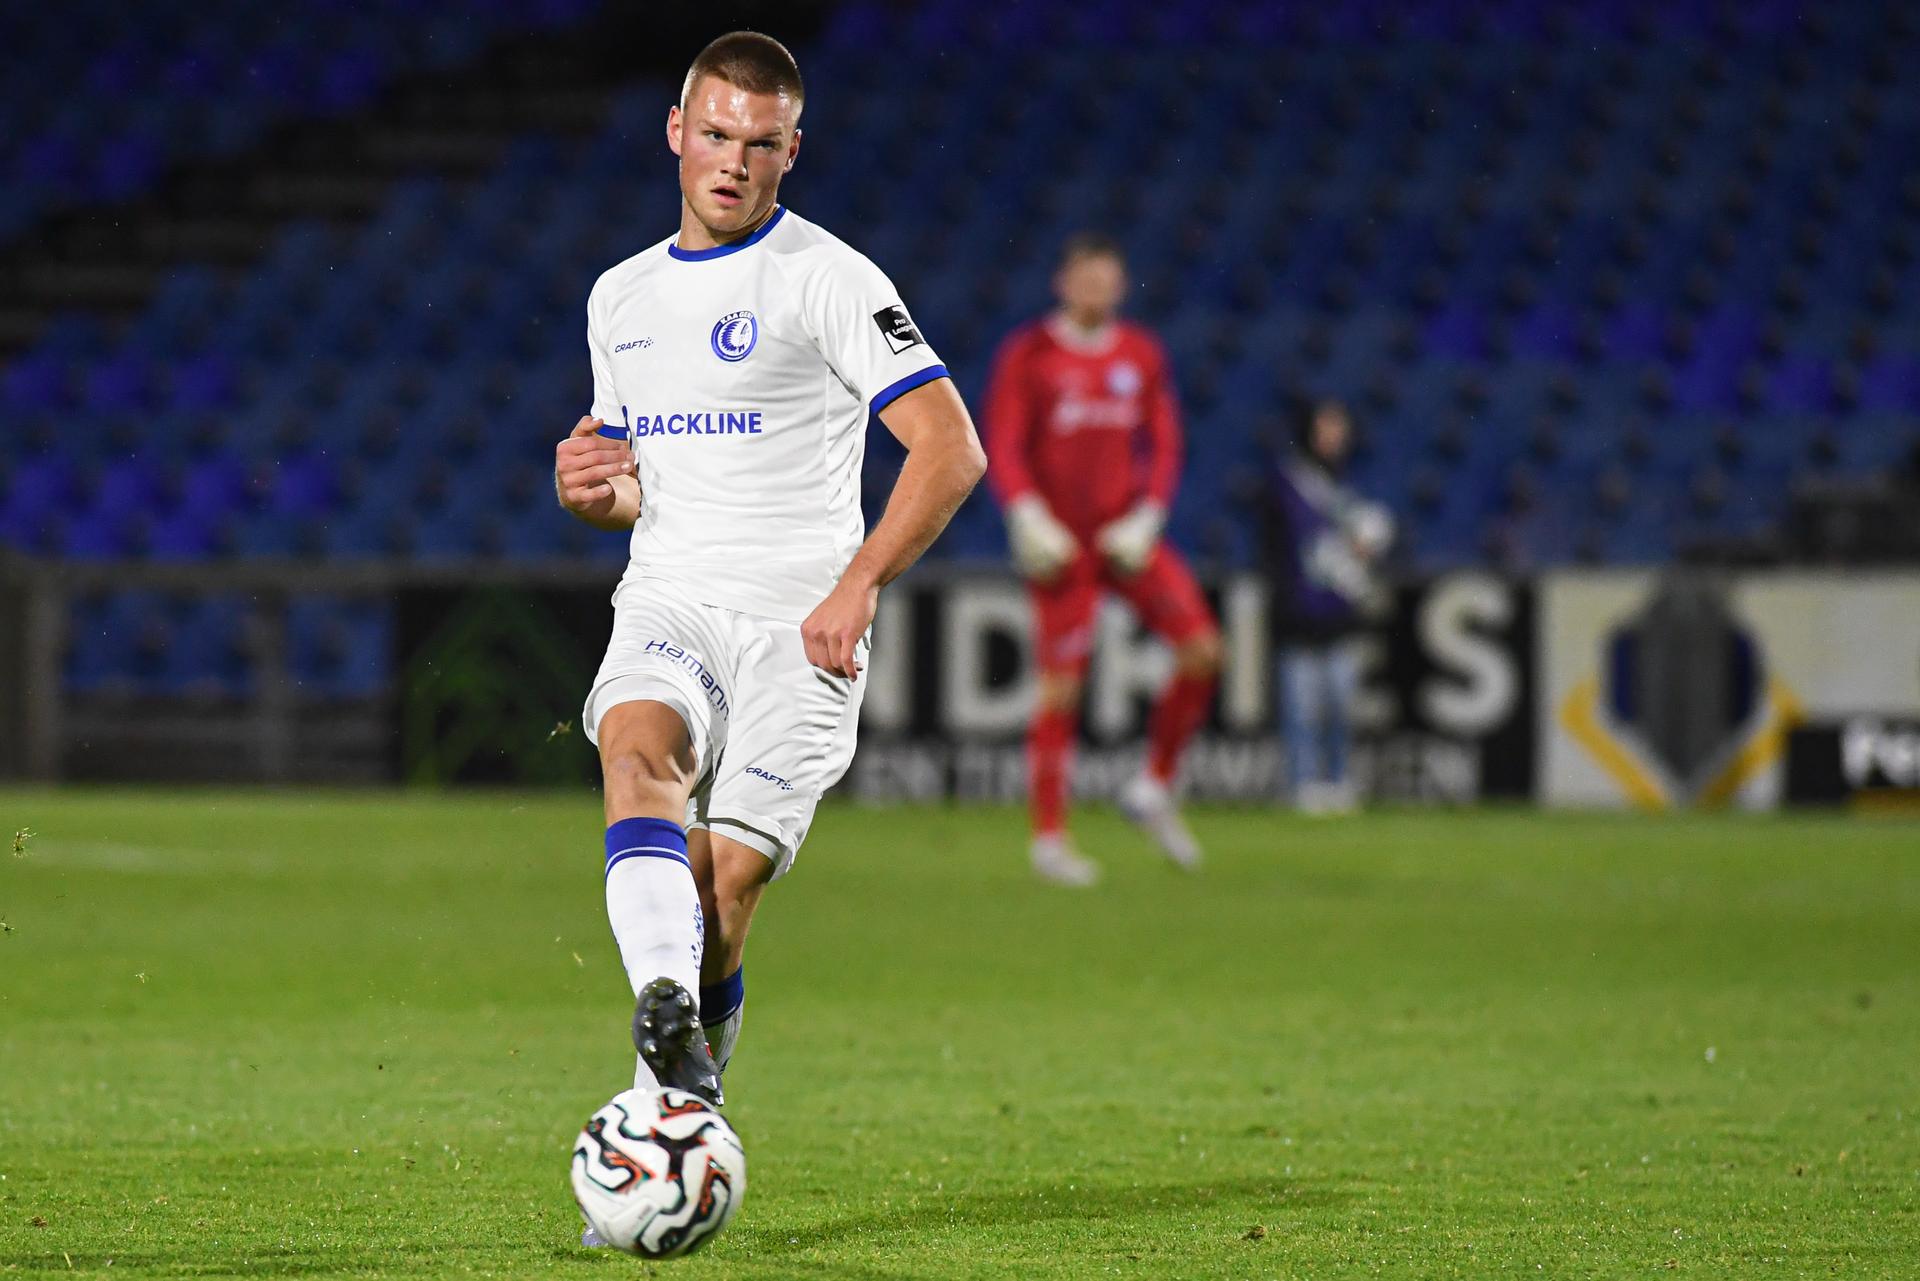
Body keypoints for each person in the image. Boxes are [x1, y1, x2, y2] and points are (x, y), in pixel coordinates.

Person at [551, 31, 985, 1123]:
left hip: (801, 622)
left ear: (793, 151)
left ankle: (683, 1073)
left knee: (722, 891)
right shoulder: (621, 298)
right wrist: (597, 497)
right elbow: (646, 485)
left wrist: (862, 582)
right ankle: (662, 1015)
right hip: (673, 595)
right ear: (675, 133)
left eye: (759, 143)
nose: (732, 162)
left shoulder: (830, 280)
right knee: (637, 753)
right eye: (714, 135)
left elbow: (950, 449)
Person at [983, 234, 1222, 886]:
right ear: (1064, 282)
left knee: (1203, 648)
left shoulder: (1140, 354)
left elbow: (1165, 444)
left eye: (1107, 279)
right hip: (1061, 543)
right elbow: (1003, 441)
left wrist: (1149, 515)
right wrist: (1027, 515)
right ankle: (1050, 839)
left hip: (1123, 536)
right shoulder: (1029, 354)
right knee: (1061, 685)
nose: (1096, 289)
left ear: (1119, 287)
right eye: (1086, 277)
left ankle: (1154, 785)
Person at [1258, 397, 1393, 814]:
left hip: (1338, 616)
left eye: (1339, 427)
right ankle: (1300, 784)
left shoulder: (1347, 485)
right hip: (1298, 614)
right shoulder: (1291, 481)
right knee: (1300, 707)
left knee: (1338, 704)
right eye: (1326, 426)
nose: (1334, 436)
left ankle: (1337, 782)